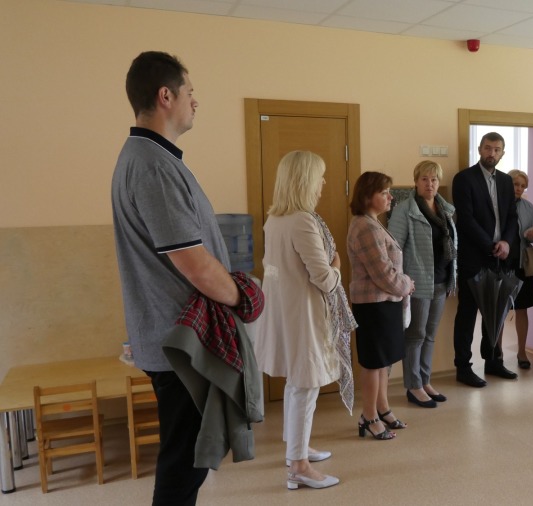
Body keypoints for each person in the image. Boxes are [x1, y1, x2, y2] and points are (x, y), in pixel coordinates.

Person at [111, 51, 240, 505]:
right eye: (190, 93)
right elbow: (193, 262)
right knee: (184, 465)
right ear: (165, 96)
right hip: (181, 345)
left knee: (190, 460)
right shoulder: (152, 165)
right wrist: (241, 296)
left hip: (178, 341)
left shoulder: (154, 158)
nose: (195, 102)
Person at [254, 151, 354, 490]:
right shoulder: (302, 221)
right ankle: (298, 466)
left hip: (286, 311)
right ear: (304, 180)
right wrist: (337, 265)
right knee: (305, 385)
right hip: (302, 315)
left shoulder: (275, 219)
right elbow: (324, 279)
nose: (323, 182)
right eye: (319, 176)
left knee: (297, 383)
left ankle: (296, 449)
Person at [347, 171, 415, 439]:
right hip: (373, 305)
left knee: (383, 361)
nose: (390, 197)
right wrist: (406, 285)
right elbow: (383, 273)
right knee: (373, 363)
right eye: (384, 193)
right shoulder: (364, 227)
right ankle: (369, 416)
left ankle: (383, 409)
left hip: (385, 303)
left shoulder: (373, 223)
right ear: (367, 196)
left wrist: (402, 286)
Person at [452, 132, 520, 387]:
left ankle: (493, 361)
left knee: (496, 311)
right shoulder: (464, 179)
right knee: (467, 314)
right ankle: (463, 367)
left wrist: (507, 243)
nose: (492, 153)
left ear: (502, 153)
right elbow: (466, 219)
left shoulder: (505, 181)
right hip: (473, 257)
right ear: (480, 149)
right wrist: (492, 245)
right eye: (488, 148)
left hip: (501, 257)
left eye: (497, 149)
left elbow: (512, 216)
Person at [388, 160, 457, 408]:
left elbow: (452, 245)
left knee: (430, 335)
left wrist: (452, 277)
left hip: (441, 280)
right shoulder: (404, 210)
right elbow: (394, 249)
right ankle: (413, 385)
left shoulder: (445, 209)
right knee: (415, 335)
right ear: (416, 182)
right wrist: (403, 281)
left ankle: (425, 381)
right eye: (425, 179)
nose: (430, 184)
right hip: (416, 283)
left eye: (434, 179)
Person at [507, 169, 533, 369]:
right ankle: (496, 353)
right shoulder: (498, 204)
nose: (518, 189)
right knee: (500, 311)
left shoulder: (529, 207)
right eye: (515, 184)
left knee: (522, 309)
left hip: (523, 263)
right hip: (503, 264)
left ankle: (522, 352)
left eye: (522, 186)